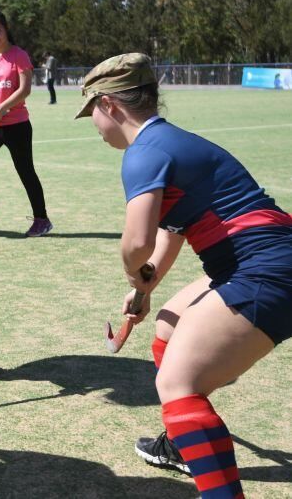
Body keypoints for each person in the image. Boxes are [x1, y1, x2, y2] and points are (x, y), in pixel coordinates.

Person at [76, 53, 292, 499]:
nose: (94, 125)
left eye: (92, 112)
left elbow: (136, 243)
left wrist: (134, 271)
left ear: (111, 105)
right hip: (261, 261)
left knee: (177, 384)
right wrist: (145, 289)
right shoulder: (170, 142)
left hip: (266, 269)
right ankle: (180, 442)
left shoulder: (145, 153)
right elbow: (168, 235)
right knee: (168, 325)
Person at [0, 11, 53, 237]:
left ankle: (42, 220)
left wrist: (1, 108)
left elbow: (24, 89)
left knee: (26, 172)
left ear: (6, 30)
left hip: (17, 125)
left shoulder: (19, 55)